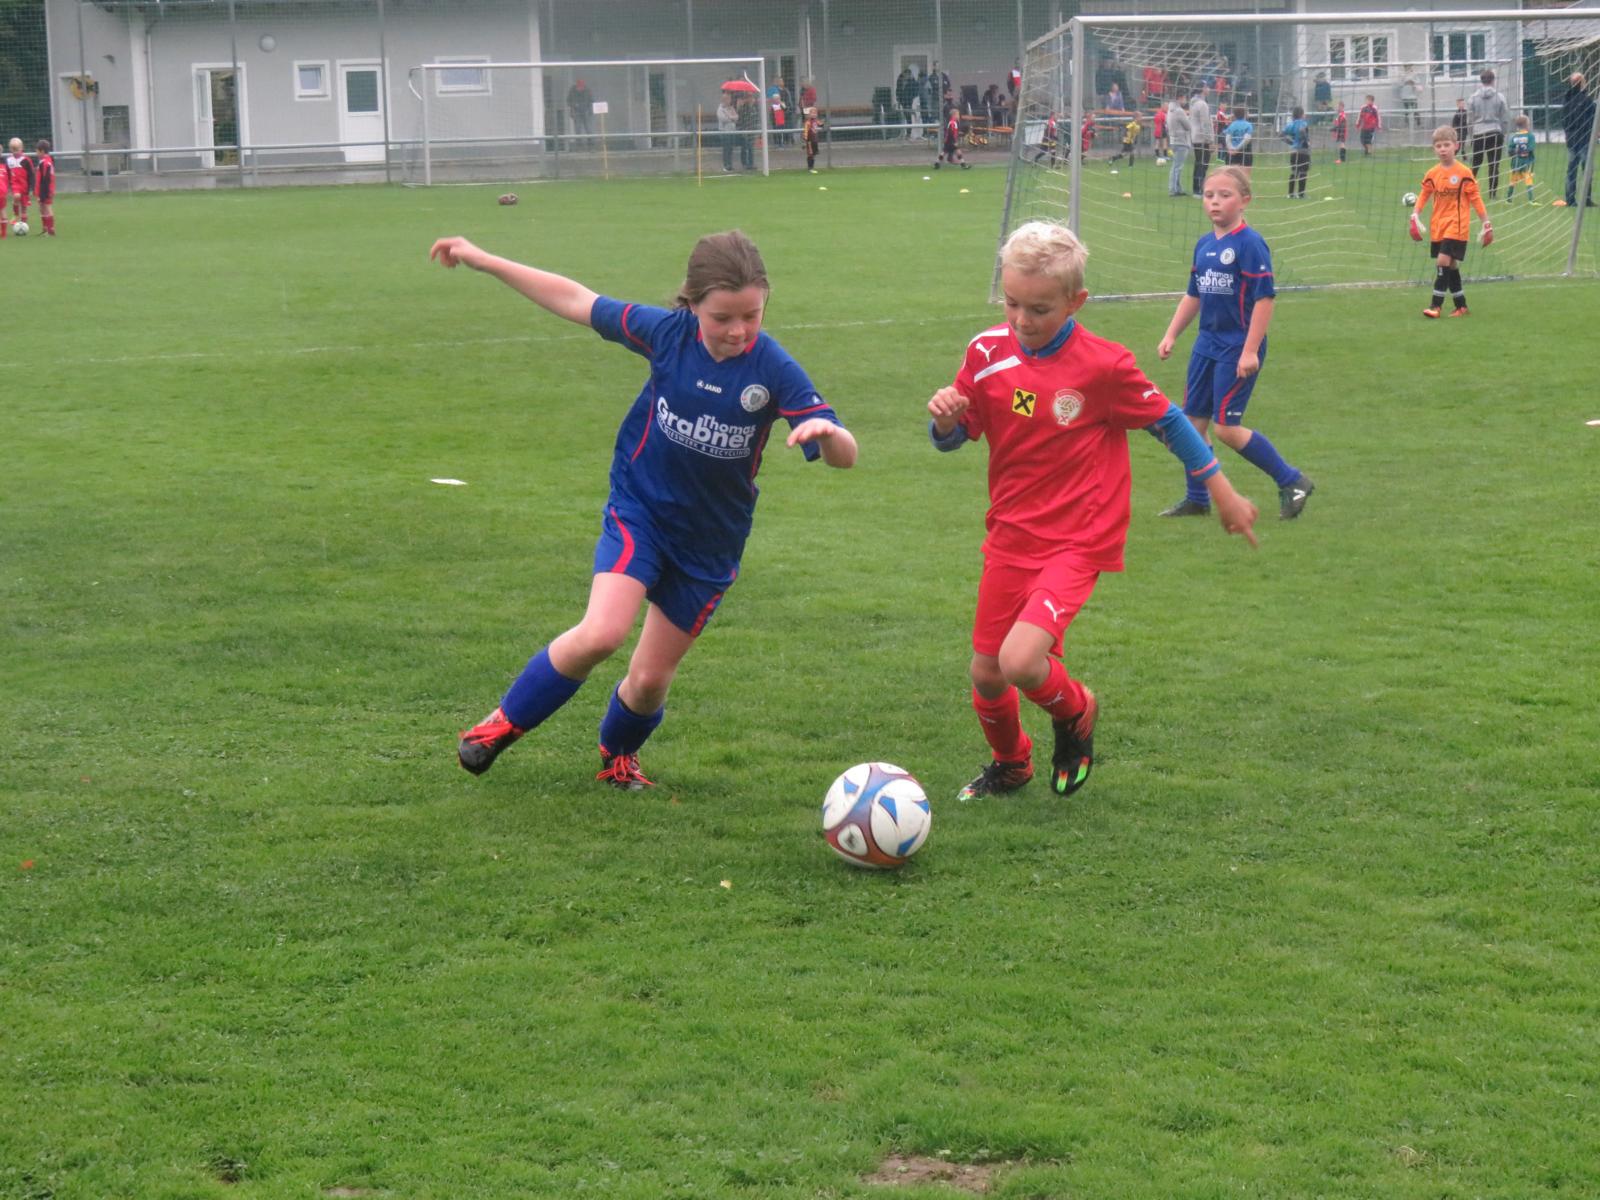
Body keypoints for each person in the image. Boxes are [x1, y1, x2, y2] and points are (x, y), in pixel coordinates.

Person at [431, 230, 857, 788]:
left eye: (751, 316)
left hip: (711, 543)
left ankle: (618, 756)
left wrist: (828, 434)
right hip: (642, 511)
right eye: (722, 317)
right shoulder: (666, 334)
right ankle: (500, 725)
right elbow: (576, 299)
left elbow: (845, 457)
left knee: (651, 680)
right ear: (692, 304)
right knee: (601, 634)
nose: (738, 330)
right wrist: (485, 260)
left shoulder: (773, 368)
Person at [927, 220, 1258, 803]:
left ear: (1075, 302)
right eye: (1012, 303)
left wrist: (1222, 491)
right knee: (987, 674)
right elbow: (959, 434)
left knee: (1020, 660)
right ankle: (1012, 764)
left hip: (1078, 539)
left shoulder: (1103, 366)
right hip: (1010, 533)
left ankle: (1076, 710)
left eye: (1039, 309)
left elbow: (1170, 422)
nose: (1022, 320)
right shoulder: (985, 352)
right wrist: (947, 422)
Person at [1157, 165, 1313, 522]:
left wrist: (1249, 351)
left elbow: (1264, 299)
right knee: (1190, 426)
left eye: (1224, 195)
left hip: (1237, 347)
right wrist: (1171, 334)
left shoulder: (1250, 244)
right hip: (1206, 345)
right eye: (1209, 195)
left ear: (1244, 201)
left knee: (1226, 428)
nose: (1215, 202)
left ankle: (1292, 481)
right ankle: (1197, 499)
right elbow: (1194, 294)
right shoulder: (1204, 244)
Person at [1410, 126, 1493, 318]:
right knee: (1452, 264)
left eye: (1447, 145)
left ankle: (1435, 306)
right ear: (1434, 149)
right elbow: (1424, 194)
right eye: (1438, 146)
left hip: (1457, 225)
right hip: (1438, 225)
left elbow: (1476, 199)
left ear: (1456, 146)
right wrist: (1415, 214)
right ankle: (1461, 305)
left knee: (1442, 260)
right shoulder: (1432, 173)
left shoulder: (1464, 172)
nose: (1443, 149)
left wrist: (1486, 223)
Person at [1468, 70, 1509, 199]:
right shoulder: (1500, 97)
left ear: (1481, 81)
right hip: (1495, 132)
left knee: (1475, 164)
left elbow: (1470, 120)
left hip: (1478, 133)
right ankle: (1492, 194)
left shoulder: (1473, 98)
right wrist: (1503, 132)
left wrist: (1472, 135)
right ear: (1493, 80)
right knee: (1494, 164)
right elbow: (1504, 118)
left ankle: (1467, 190)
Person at [1563, 71, 1596, 207]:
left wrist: (1568, 134)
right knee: (1587, 169)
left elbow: (1564, 121)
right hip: (1585, 138)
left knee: (1571, 169)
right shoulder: (1587, 100)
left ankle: (1570, 199)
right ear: (1582, 83)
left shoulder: (1567, 100)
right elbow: (1593, 119)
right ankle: (1586, 199)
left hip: (1571, 139)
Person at [1506, 114, 1536, 203]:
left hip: (1515, 161)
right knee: (1528, 179)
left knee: (1513, 180)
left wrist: (1516, 152)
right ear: (1526, 125)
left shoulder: (1514, 136)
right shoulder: (1530, 136)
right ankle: (1531, 200)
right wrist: (1524, 151)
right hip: (1526, 161)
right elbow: (1531, 148)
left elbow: (1510, 150)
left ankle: (1508, 199)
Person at [4, 137, 33, 229]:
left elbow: (31, 174)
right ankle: (16, 214)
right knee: (16, 196)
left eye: (17, 149)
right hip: (15, 184)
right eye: (13, 150)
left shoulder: (26, 160)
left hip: (24, 185)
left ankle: (23, 224)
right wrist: (7, 185)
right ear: (10, 149)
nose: (15, 152)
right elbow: (7, 173)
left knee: (24, 206)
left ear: (22, 148)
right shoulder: (9, 160)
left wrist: (31, 187)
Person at [1166, 95, 1192, 195]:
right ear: (1179, 98)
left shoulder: (1170, 110)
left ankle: (1178, 188)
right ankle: (1173, 189)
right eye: (1184, 98)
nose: (1185, 100)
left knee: (1176, 166)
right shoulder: (1179, 111)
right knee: (1177, 167)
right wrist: (1189, 118)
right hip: (1181, 141)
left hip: (1174, 140)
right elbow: (1188, 126)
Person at [1189, 91, 1213, 194]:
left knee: (1198, 162)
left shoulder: (1193, 103)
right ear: (1203, 89)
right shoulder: (1202, 104)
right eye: (1207, 87)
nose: (1209, 89)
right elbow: (1205, 123)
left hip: (1195, 137)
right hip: (1202, 138)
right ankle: (1199, 189)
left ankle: (1196, 188)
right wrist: (1209, 139)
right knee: (1203, 164)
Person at [1283, 105, 1310, 198]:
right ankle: (1301, 194)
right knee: (1303, 172)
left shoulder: (1291, 125)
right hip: (1303, 151)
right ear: (1302, 115)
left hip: (1294, 151)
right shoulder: (1303, 123)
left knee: (1294, 171)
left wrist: (1291, 142)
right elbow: (1302, 130)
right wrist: (1306, 141)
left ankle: (1290, 194)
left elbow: (1281, 135)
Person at [32, 139, 54, 236]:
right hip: (42, 190)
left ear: (42, 151)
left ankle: (50, 230)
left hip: (45, 190)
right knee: (41, 208)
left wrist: (43, 194)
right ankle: (45, 229)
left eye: (37, 151)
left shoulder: (46, 163)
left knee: (47, 207)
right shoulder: (43, 162)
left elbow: (46, 179)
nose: (36, 153)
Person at [716, 92, 739, 173]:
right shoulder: (720, 109)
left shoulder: (731, 108)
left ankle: (730, 165)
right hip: (724, 132)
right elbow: (723, 119)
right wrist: (731, 118)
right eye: (727, 99)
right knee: (726, 149)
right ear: (724, 100)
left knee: (731, 149)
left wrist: (730, 117)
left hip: (732, 131)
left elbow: (736, 117)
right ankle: (726, 166)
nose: (729, 101)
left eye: (730, 99)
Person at [567, 78, 594, 146]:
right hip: (576, 112)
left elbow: (592, 101)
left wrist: (589, 110)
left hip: (586, 111)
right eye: (579, 87)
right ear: (576, 86)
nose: (580, 88)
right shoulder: (572, 91)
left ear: (583, 86)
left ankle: (591, 144)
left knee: (588, 128)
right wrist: (574, 105)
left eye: (581, 87)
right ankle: (579, 145)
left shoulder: (588, 90)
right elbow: (568, 101)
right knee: (578, 129)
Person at [735, 92, 759, 170]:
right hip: (745, 132)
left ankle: (751, 164)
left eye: (752, 98)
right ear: (747, 99)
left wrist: (756, 130)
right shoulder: (743, 108)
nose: (752, 99)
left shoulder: (754, 108)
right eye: (750, 98)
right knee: (745, 148)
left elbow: (756, 120)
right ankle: (744, 163)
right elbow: (740, 121)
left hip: (752, 132)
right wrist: (742, 130)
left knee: (751, 148)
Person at [896, 66, 919, 139]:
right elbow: (898, 90)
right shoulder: (901, 81)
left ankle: (909, 133)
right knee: (903, 117)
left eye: (907, 75)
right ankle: (902, 133)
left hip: (909, 102)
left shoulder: (912, 82)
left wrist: (910, 99)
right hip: (902, 102)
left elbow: (915, 92)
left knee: (909, 118)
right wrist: (898, 98)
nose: (906, 76)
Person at [802, 106, 824, 172]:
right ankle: (810, 168)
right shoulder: (808, 122)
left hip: (815, 140)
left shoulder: (816, 121)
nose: (814, 114)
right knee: (810, 154)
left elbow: (821, 124)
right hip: (809, 141)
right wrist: (805, 140)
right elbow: (805, 131)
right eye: (812, 113)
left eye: (815, 113)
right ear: (809, 114)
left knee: (814, 154)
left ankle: (812, 167)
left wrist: (823, 123)